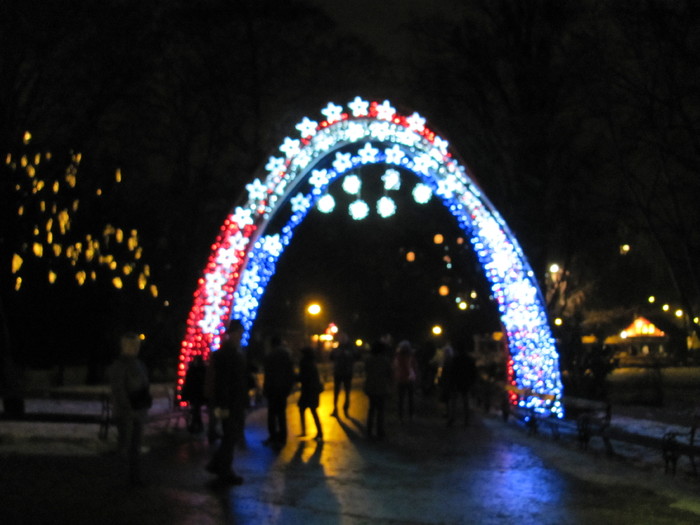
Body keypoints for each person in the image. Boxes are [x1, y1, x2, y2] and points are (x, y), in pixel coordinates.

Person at [205, 320, 248, 484]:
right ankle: (223, 470)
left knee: (230, 436)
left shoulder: (232, 352)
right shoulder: (228, 353)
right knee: (230, 436)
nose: (241, 336)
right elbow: (225, 381)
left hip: (232, 401)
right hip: (230, 402)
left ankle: (220, 466)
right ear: (232, 333)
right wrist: (223, 404)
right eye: (239, 333)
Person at [107, 332, 151, 486]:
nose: (135, 348)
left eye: (136, 345)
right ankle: (123, 476)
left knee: (135, 446)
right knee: (126, 445)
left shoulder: (138, 364)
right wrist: (128, 406)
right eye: (132, 345)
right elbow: (119, 390)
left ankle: (133, 476)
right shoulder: (120, 365)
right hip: (127, 412)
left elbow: (144, 385)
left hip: (137, 410)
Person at [262, 335, 295, 449]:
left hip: (272, 389)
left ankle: (273, 436)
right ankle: (282, 437)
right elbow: (290, 372)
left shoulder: (270, 355)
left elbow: (268, 375)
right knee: (281, 413)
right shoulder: (287, 354)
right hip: (282, 389)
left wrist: (265, 389)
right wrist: (289, 387)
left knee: (272, 414)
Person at [364, 340, 392, 440]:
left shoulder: (369, 360)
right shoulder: (385, 360)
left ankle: (369, 430)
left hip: (371, 387)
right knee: (380, 411)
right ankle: (380, 431)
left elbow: (366, 370)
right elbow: (389, 373)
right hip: (381, 387)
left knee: (371, 409)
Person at [445, 340, 478, 426]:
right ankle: (466, 420)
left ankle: (452, 418)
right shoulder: (470, 359)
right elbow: (474, 372)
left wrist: (450, 381)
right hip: (466, 382)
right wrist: (473, 382)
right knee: (465, 401)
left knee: (454, 402)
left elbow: (452, 371)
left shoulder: (455, 359)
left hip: (456, 381)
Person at [296, 346, 324, 441]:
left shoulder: (304, 363)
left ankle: (305, 431)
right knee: (313, 411)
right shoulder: (312, 363)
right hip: (313, 390)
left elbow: (302, 377)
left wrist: (293, 377)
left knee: (303, 409)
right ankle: (319, 432)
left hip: (307, 390)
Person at [330, 332, 357, 416]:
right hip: (339, 372)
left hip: (346, 372)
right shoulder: (338, 348)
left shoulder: (350, 348)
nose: (342, 340)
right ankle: (336, 409)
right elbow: (331, 357)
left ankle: (345, 409)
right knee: (337, 392)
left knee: (346, 392)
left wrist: (349, 355)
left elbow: (357, 356)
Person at [393, 340, 418, 422]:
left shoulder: (398, 357)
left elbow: (395, 367)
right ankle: (411, 415)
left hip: (400, 379)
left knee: (401, 399)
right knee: (411, 398)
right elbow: (414, 367)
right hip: (410, 379)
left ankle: (400, 415)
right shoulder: (411, 357)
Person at [181, 355, 207, 434]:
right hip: (198, 393)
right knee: (196, 409)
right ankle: (197, 425)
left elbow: (188, 382)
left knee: (195, 409)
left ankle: (195, 426)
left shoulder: (193, 370)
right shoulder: (202, 370)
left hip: (194, 393)